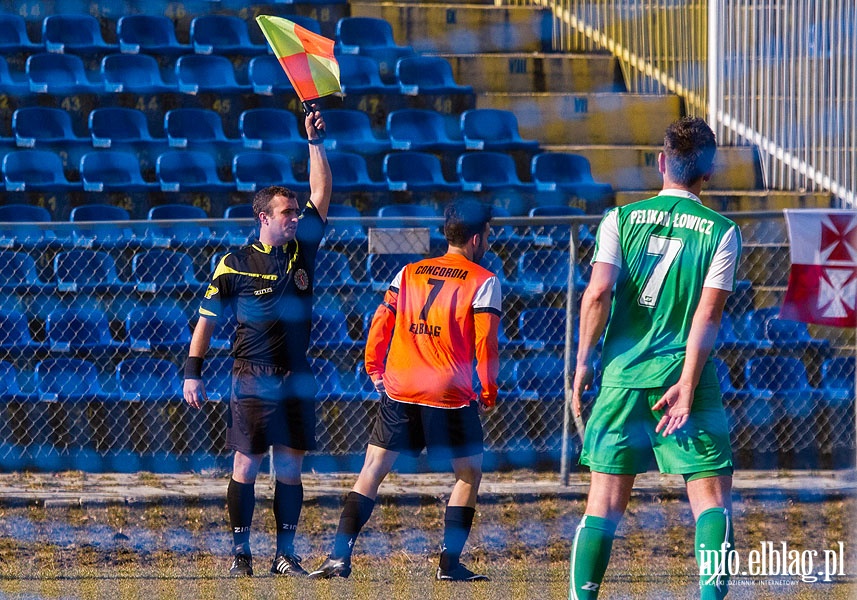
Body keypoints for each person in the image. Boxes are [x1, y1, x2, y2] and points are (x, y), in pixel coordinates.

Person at [569, 117, 742, 600]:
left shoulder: (619, 219)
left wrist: (584, 361)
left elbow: (598, 292)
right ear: (708, 172)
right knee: (710, 501)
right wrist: (687, 384)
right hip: (685, 379)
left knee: (602, 502)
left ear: (662, 161)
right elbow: (707, 316)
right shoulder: (722, 232)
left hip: (622, 378)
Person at [308, 199, 501, 582]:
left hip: (401, 387)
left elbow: (382, 321)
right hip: (448, 393)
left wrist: (373, 367)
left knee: (372, 470)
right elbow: (486, 346)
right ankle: (449, 565)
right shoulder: (484, 280)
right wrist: (489, 392)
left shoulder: (408, 272)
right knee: (467, 475)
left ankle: (337, 558)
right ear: (478, 238)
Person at [182, 106, 331, 578]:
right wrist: (192, 371)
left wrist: (315, 143)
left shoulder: (302, 247)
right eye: (286, 213)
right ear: (263, 218)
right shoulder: (233, 262)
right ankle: (240, 552)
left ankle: (285, 555)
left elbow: (322, 192)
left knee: (291, 470)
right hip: (252, 374)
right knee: (245, 466)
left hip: (297, 374)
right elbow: (206, 320)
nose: (294, 219)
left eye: (295, 212)